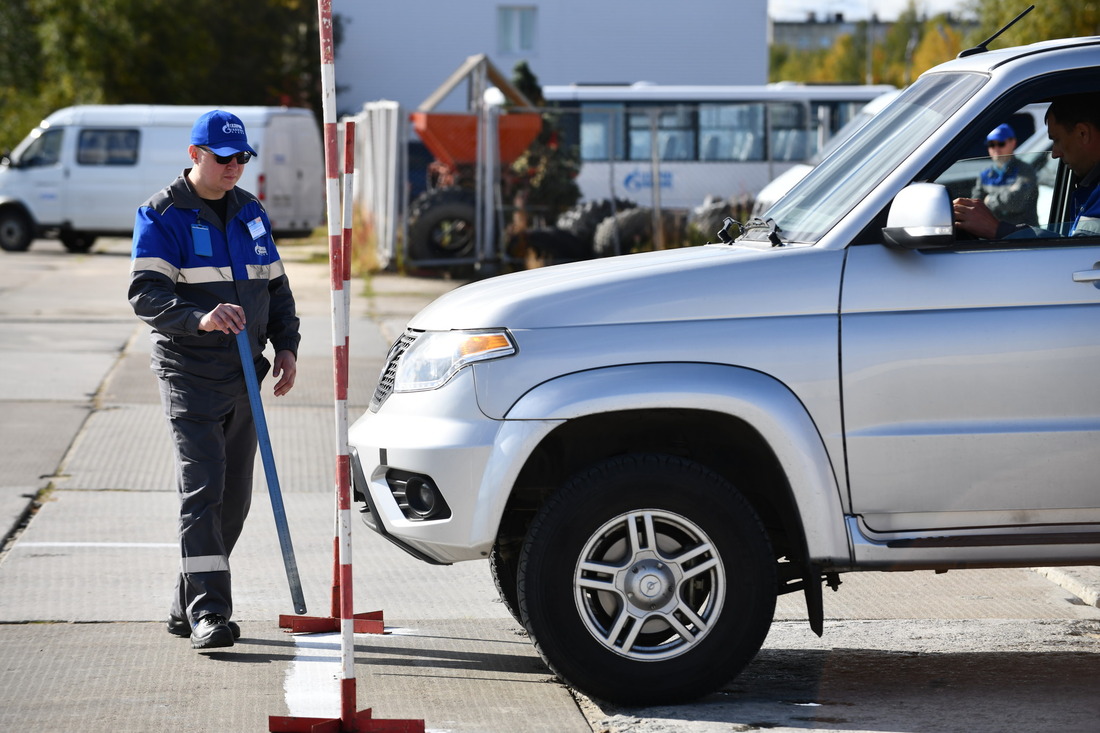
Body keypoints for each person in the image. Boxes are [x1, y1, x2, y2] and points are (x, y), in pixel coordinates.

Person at [128, 110, 301, 650]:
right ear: (194, 155)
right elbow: (145, 294)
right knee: (203, 494)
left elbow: (275, 288)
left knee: (234, 501)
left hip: (245, 374)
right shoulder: (162, 215)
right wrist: (198, 318)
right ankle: (210, 613)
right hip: (191, 374)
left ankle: (186, 602)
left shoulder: (251, 212)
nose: (234, 167)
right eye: (222, 158)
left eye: (241, 157)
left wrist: (287, 345)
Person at [954, 93, 1100, 239]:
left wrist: (997, 228)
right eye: (992, 145)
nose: (1054, 154)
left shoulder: (1024, 170)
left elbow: (1075, 255)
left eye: (1056, 140)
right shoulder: (986, 174)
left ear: (1083, 133)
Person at [969, 123, 1038, 226]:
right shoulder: (984, 175)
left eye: (1001, 143)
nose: (996, 148)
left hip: (1024, 234)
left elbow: (1015, 203)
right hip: (993, 235)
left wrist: (989, 200)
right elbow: (975, 206)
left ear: (1013, 143)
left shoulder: (1025, 171)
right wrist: (1006, 195)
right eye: (991, 144)